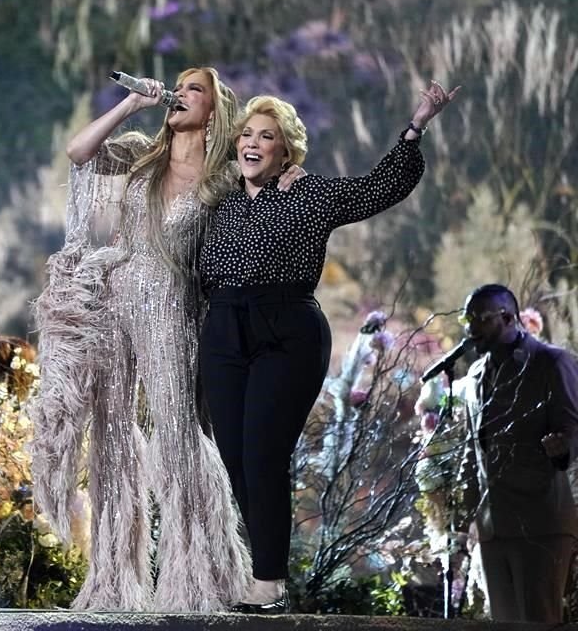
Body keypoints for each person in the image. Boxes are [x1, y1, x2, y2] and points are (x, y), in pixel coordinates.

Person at [30, 67, 303, 612]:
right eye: (178, 85)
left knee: (176, 434)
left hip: (172, 306)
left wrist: (291, 176)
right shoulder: (140, 154)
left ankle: (196, 575)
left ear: (215, 108)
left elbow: (270, 173)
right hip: (114, 300)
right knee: (112, 440)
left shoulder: (224, 175)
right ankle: (114, 581)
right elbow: (79, 151)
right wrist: (131, 104)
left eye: (194, 88)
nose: (180, 93)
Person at [197, 81, 460, 611]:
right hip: (223, 328)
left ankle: (267, 580)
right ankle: (254, 566)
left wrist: (416, 126)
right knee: (234, 460)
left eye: (265, 136)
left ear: (284, 151)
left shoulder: (308, 193)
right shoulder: (217, 199)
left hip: (286, 330)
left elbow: (377, 187)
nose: (252, 142)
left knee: (263, 454)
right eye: (246, 134)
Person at [457, 284, 578, 622]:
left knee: (538, 621)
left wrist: (563, 447)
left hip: (540, 521)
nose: (470, 329)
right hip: (494, 527)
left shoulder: (550, 362)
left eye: (480, 319)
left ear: (508, 318)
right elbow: (472, 448)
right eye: (466, 320)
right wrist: (464, 516)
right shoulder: (475, 375)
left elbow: (574, 427)